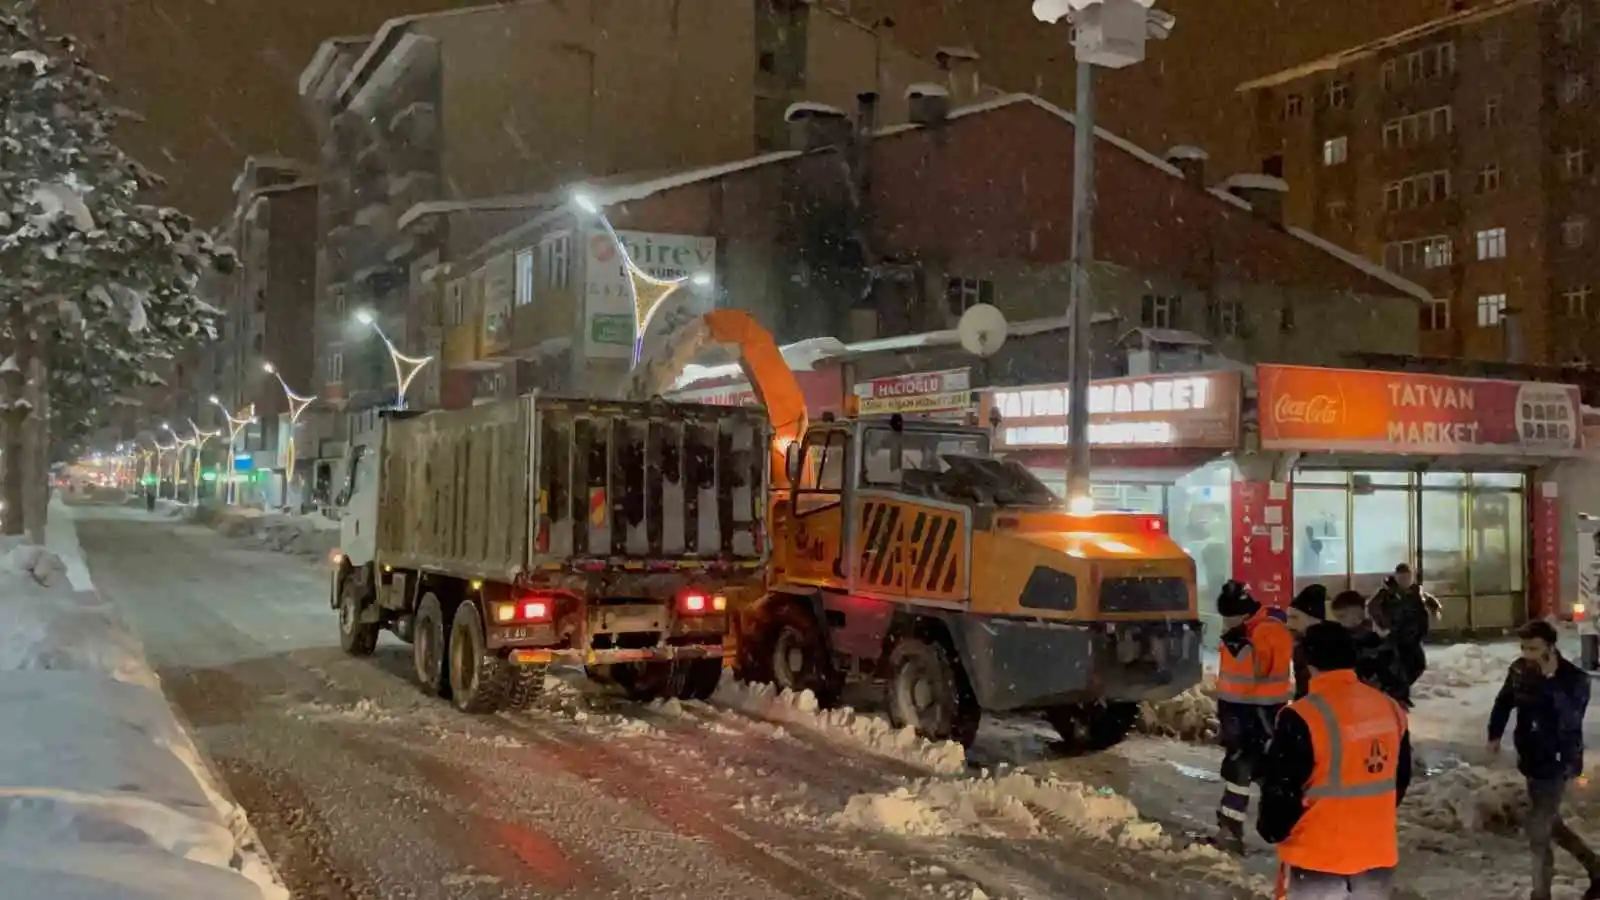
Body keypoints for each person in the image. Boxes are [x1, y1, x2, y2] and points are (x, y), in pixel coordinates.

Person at [1258, 623, 1412, 899]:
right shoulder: (1390, 708)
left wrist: (1272, 829)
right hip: (1376, 854)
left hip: (1317, 857)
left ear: (1308, 661)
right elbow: (1400, 778)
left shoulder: (1302, 716)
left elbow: (1282, 790)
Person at [1487, 620, 1600, 900]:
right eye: (1524, 647)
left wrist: (1550, 683)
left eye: (1534, 648)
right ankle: (1596, 867)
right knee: (1550, 822)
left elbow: (1570, 718)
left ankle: (1541, 894)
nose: (1527, 654)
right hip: (1532, 758)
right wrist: (1494, 735)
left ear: (1550, 648)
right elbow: (1504, 702)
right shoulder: (1519, 670)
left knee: (1538, 830)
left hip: (1559, 760)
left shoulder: (1574, 678)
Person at [1212, 579, 1295, 853]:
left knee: (1255, 772)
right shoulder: (1246, 630)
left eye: (1229, 617)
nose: (1225, 624)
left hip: (1260, 716)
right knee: (1244, 771)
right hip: (1241, 713)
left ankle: (1283, 830)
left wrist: (1242, 648)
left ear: (1244, 612)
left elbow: (1260, 671)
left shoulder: (1267, 632)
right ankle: (1231, 829)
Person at [1331, 589, 1410, 708]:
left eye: (1342, 616)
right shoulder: (1346, 638)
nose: (1340, 622)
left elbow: (1394, 671)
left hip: (1380, 698)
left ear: (1358, 611)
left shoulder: (1376, 639)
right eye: (1338, 618)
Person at [1369, 563, 1441, 689]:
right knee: (1397, 666)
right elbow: (1372, 607)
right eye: (1402, 578)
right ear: (1396, 577)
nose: (1405, 581)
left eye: (1407, 577)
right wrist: (1381, 625)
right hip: (1395, 635)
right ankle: (1396, 690)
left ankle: (1401, 688)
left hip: (1414, 636)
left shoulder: (1416, 591)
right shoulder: (1387, 593)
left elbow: (1431, 601)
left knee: (1419, 665)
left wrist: (1435, 611)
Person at [1287, 584, 1328, 699]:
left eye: (1294, 617)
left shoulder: (1327, 649)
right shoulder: (1299, 647)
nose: (1288, 624)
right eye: (1288, 618)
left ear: (1314, 620)